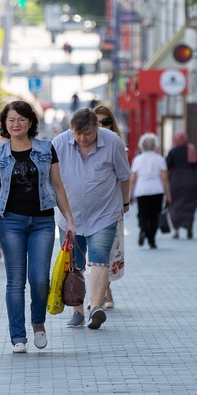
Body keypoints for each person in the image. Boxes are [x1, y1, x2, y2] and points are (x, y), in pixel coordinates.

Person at [0, 100, 76, 353]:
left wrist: (68, 218)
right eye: (11, 120)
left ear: (31, 123)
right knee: (15, 281)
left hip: (42, 222)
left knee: (38, 278)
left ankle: (38, 323)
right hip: (10, 221)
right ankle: (18, 337)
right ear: (4, 123)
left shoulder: (47, 149)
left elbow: (58, 185)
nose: (16, 124)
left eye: (21, 120)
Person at [52, 108, 131, 330]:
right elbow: (51, 179)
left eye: (87, 133)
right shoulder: (59, 144)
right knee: (74, 264)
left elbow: (124, 176)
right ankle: (77, 311)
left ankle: (95, 307)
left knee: (99, 258)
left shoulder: (112, 142)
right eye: (78, 134)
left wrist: (124, 204)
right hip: (69, 216)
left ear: (96, 128)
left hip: (104, 214)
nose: (82, 138)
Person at [93, 104, 124, 309]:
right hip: (88, 208)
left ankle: (106, 290)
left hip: (112, 207)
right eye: (97, 123)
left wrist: (126, 203)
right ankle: (98, 295)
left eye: (106, 122)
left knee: (109, 252)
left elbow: (125, 177)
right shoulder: (83, 145)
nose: (102, 126)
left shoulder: (118, 144)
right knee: (93, 254)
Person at [129, 133, 171, 249]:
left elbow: (133, 179)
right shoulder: (160, 159)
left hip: (141, 190)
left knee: (142, 214)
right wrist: (168, 194)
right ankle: (152, 240)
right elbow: (164, 178)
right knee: (154, 216)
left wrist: (130, 195)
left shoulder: (137, 160)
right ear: (155, 146)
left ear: (141, 145)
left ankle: (143, 229)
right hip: (157, 190)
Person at [165, 130, 197, 239]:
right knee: (189, 205)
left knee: (174, 205)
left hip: (175, 181)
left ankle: (176, 230)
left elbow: (166, 166)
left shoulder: (173, 152)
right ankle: (188, 226)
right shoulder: (192, 150)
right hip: (191, 180)